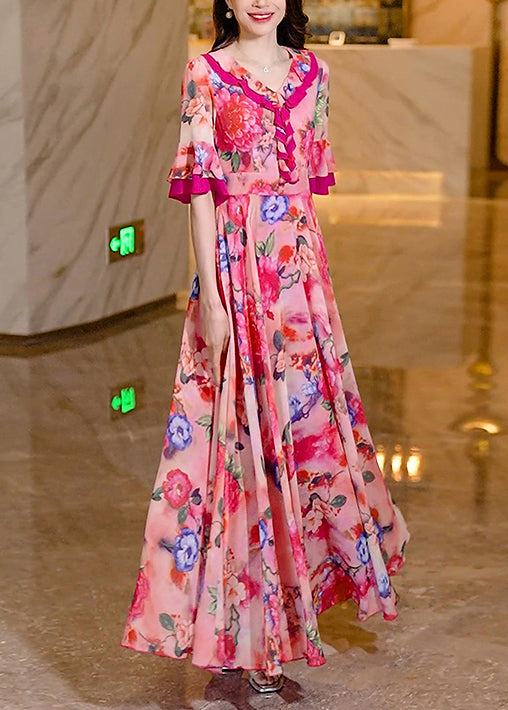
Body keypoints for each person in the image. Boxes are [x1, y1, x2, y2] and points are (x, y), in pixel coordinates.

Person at [121, 0, 410, 695]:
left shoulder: (315, 75)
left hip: (299, 287)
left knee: (304, 442)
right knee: (237, 445)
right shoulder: (206, 74)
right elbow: (201, 193)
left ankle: (285, 617)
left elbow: (305, 192)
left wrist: (309, 290)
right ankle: (239, 630)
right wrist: (211, 300)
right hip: (235, 275)